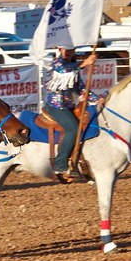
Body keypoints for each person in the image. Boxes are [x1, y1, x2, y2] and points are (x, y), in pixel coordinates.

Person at [45, 45, 101, 183]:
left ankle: (79, 163)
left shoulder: (73, 65)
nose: (68, 52)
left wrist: (96, 99)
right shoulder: (57, 63)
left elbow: (80, 87)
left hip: (68, 106)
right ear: (60, 50)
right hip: (56, 106)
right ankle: (60, 165)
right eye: (66, 49)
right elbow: (64, 72)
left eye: (71, 49)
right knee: (73, 128)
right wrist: (84, 64)